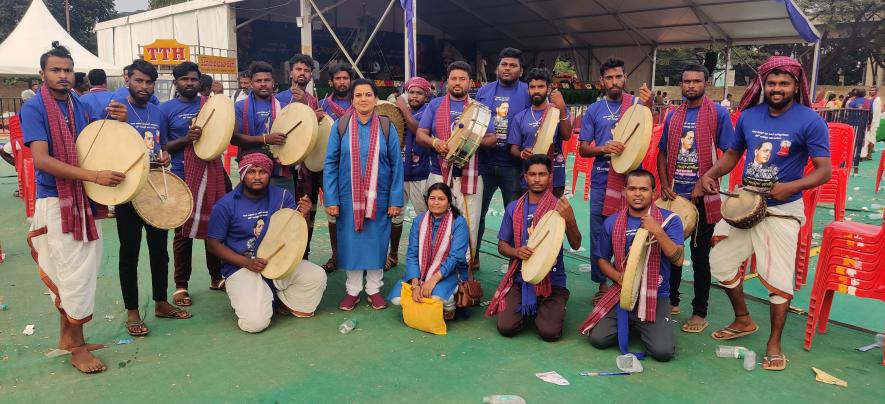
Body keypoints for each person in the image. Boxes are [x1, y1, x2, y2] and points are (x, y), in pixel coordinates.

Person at [699, 56, 831, 371]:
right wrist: (712, 174)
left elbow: (824, 171)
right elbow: (733, 154)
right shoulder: (749, 116)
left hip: (783, 208)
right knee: (720, 262)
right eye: (771, 83)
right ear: (763, 85)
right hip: (746, 202)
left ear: (795, 86)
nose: (776, 88)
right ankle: (743, 319)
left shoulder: (810, 120)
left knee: (778, 279)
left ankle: (774, 343)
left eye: (784, 83)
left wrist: (791, 186)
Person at [22, 44, 128, 373]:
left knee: (78, 268)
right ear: (43, 74)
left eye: (67, 70)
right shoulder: (35, 107)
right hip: (56, 199)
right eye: (56, 70)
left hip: (79, 197)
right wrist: (94, 176)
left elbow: (95, 137)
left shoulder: (76, 103)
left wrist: (115, 117)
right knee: (74, 274)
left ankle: (67, 338)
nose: (63, 76)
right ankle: (78, 349)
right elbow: (41, 160)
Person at [112, 59, 191, 337]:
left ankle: (160, 302)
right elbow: (107, 148)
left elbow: (160, 145)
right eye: (138, 81)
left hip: (156, 189)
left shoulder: (157, 113)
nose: (144, 87)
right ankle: (132, 310)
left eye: (149, 82)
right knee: (129, 253)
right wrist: (117, 123)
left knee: (159, 251)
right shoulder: (118, 109)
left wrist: (165, 154)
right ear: (127, 80)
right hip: (128, 193)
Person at [207, 152, 327, 333]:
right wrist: (246, 262)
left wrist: (304, 215)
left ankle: (272, 298)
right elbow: (213, 244)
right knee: (255, 324)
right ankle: (255, 299)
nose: (257, 176)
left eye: (262, 171)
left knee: (316, 276)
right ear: (242, 173)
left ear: (269, 174)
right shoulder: (225, 205)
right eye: (251, 171)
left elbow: (291, 232)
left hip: (278, 264)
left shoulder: (282, 197)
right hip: (242, 268)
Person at [655, 64, 735, 332]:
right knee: (671, 250)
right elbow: (662, 152)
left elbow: (728, 155)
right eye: (686, 81)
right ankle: (673, 300)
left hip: (704, 199)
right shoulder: (672, 115)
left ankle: (700, 311)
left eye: (696, 81)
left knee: (700, 257)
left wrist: (707, 180)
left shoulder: (718, 114)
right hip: (675, 197)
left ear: (706, 83)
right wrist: (665, 184)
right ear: (681, 85)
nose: (691, 85)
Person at [579, 169, 683, 361]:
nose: (637, 194)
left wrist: (658, 232)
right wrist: (619, 277)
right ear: (624, 190)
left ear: (654, 192)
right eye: (632, 188)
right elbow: (601, 259)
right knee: (598, 339)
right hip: (622, 292)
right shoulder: (612, 222)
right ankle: (634, 322)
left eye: (643, 189)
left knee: (663, 352)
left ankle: (643, 323)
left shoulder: (670, 220)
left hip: (655, 294)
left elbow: (678, 259)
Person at [324, 78, 404, 311]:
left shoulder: (386, 126)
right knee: (351, 243)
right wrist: (331, 198)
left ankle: (374, 289)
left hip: (379, 197)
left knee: (377, 242)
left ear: (375, 98)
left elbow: (397, 165)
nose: (363, 99)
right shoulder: (340, 126)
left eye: (368, 95)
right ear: (352, 99)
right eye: (358, 95)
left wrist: (395, 199)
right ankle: (352, 290)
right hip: (348, 196)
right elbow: (330, 163)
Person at [578, 56, 652, 303]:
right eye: (609, 77)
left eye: (618, 76)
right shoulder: (594, 110)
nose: (614, 81)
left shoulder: (637, 105)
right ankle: (602, 284)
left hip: (632, 182)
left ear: (625, 78)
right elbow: (583, 149)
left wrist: (649, 107)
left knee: (633, 230)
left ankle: (630, 278)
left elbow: (646, 135)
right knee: (600, 234)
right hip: (601, 180)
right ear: (601, 81)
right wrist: (604, 149)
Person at [487, 155, 582, 341]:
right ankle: (532, 305)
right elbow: (502, 245)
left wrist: (570, 219)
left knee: (549, 333)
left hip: (552, 279)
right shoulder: (514, 207)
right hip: (521, 277)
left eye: (542, 174)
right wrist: (516, 252)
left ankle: (553, 303)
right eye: (532, 174)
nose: (537, 179)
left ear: (550, 177)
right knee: (506, 328)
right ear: (525, 177)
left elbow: (576, 244)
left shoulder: (559, 207)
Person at [160, 61, 229, 304]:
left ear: (200, 81)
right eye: (184, 79)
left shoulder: (210, 105)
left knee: (216, 228)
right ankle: (181, 285)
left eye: (193, 79)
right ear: (175, 82)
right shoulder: (165, 110)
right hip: (182, 176)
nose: (189, 83)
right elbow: (162, 146)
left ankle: (216, 275)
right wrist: (186, 139)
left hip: (213, 173)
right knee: (183, 233)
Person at [416, 61, 492, 273]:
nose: (457, 83)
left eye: (462, 79)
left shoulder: (480, 110)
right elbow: (421, 134)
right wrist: (435, 143)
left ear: (470, 83)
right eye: (454, 79)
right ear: (446, 82)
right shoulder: (435, 104)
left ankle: (463, 272)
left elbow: (492, 138)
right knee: (438, 221)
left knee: (470, 225)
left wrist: (470, 141)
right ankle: (435, 269)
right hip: (438, 175)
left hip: (471, 176)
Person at [476, 48, 531, 271]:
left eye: (513, 65)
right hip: (485, 163)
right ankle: (473, 255)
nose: (507, 68)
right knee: (477, 213)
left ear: (521, 70)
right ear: (497, 67)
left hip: (514, 166)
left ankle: (515, 260)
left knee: (515, 216)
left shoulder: (529, 91)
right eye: (504, 64)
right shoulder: (483, 91)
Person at [388, 182, 468, 321]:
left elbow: (455, 257)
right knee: (397, 299)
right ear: (427, 200)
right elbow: (412, 254)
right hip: (421, 273)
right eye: (432, 198)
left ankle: (450, 304)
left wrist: (433, 280)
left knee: (435, 296)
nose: (436, 202)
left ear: (449, 202)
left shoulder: (458, 222)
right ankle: (432, 300)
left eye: (441, 199)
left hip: (449, 273)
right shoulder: (419, 220)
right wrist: (415, 283)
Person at [280, 54, 330, 265]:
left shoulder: (314, 100)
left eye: (306, 70)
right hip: (284, 169)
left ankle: (303, 256)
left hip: (308, 169)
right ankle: (284, 255)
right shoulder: (279, 99)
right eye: (298, 69)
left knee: (307, 211)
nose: (302, 73)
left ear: (311, 75)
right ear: (290, 72)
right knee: (284, 212)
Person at [385, 76, 433, 271]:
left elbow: (416, 129)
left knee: (424, 217)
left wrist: (403, 108)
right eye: (411, 92)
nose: (414, 96)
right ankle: (393, 254)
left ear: (425, 96)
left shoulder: (427, 112)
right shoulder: (395, 111)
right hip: (398, 174)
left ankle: (425, 256)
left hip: (420, 173)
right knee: (395, 216)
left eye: (419, 93)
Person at [507, 68, 573, 197]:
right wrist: (521, 154)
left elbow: (567, 135)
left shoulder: (556, 112)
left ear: (548, 88)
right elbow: (513, 148)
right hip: (530, 174)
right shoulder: (520, 117)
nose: (536, 91)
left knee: (553, 214)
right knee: (530, 214)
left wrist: (562, 108)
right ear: (528, 90)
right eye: (532, 87)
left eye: (541, 86)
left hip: (555, 173)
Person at [316, 63, 356, 273]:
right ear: (331, 82)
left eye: (345, 78)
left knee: (357, 210)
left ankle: (358, 254)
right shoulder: (323, 105)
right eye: (338, 79)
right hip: (331, 166)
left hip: (358, 167)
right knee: (333, 211)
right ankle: (336, 254)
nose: (342, 82)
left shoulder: (360, 102)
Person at [233, 62, 294, 193]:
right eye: (258, 81)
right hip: (252, 172)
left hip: (280, 172)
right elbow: (235, 139)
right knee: (255, 212)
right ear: (251, 83)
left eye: (267, 80)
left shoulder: (285, 108)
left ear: (273, 82)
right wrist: (266, 139)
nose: (263, 84)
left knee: (284, 211)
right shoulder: (239, 107)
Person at [862, 86, 881, 160]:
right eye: (870, 90)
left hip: (873, 122)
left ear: (876, 91)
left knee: (872, 138)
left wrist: (871, 123)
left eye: (873, 90)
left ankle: (869, 155)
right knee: (867, 138)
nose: (871, 91)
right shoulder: (869, 99)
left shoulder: (877, 99)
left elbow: (875, 113)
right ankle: (865, 154)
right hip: (868, 122)